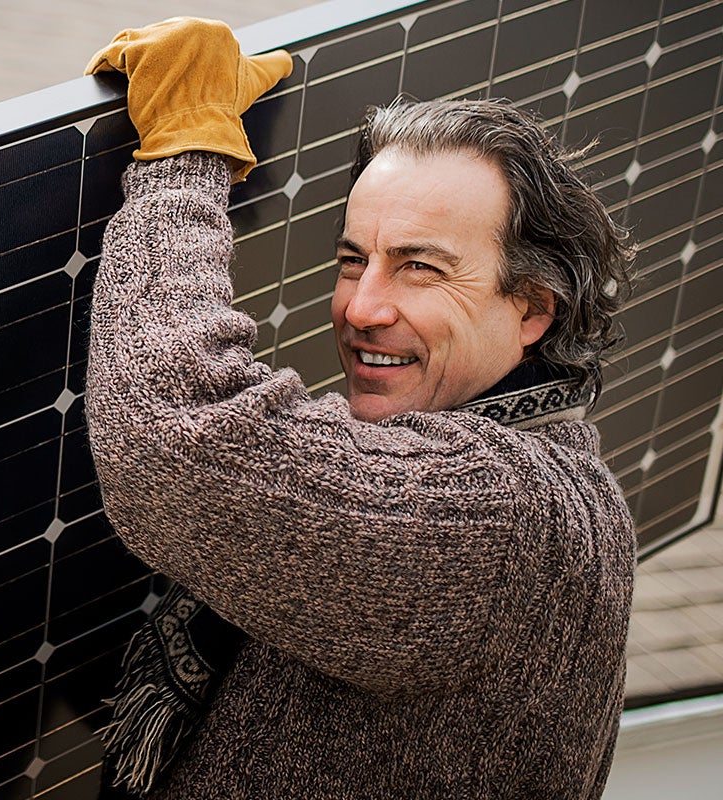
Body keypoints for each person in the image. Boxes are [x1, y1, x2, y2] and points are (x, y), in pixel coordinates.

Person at [82, 17, 637, 799]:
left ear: (534, 310)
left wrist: (184, 156)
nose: (362, 307)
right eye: (353, 260)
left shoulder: (503, 517)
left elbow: (175, 442)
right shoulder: (547, 480)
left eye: (420, 268)